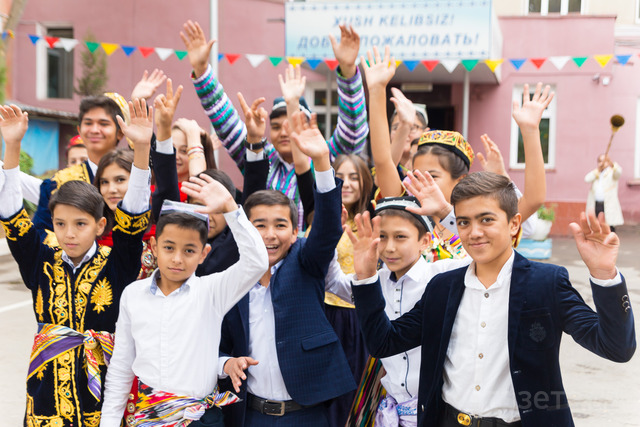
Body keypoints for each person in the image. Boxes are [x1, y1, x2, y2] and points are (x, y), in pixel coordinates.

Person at [350, 171, 636, 427]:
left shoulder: (546, 283)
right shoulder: (442, 287)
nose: (474, 232)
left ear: (514, 224)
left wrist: (605, 275)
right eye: (464, 222)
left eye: (486, 219)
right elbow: (383, 342)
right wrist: (365, 277)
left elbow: (616, 348)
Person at [0, 101, 153, 427]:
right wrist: (12, 146)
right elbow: (12, 213)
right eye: (60, 224)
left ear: (100, 226)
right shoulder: (40, 261)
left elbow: (134, 218)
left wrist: (141, 151)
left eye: (80, 224)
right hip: (46, 398)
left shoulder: (117, 264)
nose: (69, 234)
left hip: (104, 396)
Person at [216, 111, 355, 426]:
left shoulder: (305, 258)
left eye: (280, 225)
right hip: (250, 414)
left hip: (308, 413)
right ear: (245, 231)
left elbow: (328, 228)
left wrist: (321, 161)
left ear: (296, 232)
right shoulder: (231, 278)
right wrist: (226, 363)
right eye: (259, 225)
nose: (270, 234)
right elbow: (218, 343)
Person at [99, 180, 268, 427]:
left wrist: (231, 207)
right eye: (169, 247)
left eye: (189, 251)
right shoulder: (133, 295)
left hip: (200, 419)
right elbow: (121, 367)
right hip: (147, 418)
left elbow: (257, 262)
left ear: (204, 254)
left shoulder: (212, 291)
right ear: (155, 247)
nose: (177, 259)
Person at [180, 20, 369, 229]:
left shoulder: (325, 156)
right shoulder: (261, 158)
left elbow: (354, 130)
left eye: (292, 124)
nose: (284, 132)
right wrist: (201, 70)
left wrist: (348, 71)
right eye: (277, 126)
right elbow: (224, 120)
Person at [585, 153, 623, 231]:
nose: (602, 163)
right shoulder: (596, 173)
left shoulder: (612, 172)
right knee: (597, 226)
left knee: (609, 226)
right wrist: (598, 170)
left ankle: (611, 242)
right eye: (600, 161)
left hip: (608, 204)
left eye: (604, 161)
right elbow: (587, 179)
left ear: (608, 161)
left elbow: (618, 173)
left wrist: (612, 164)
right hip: (596, 204)